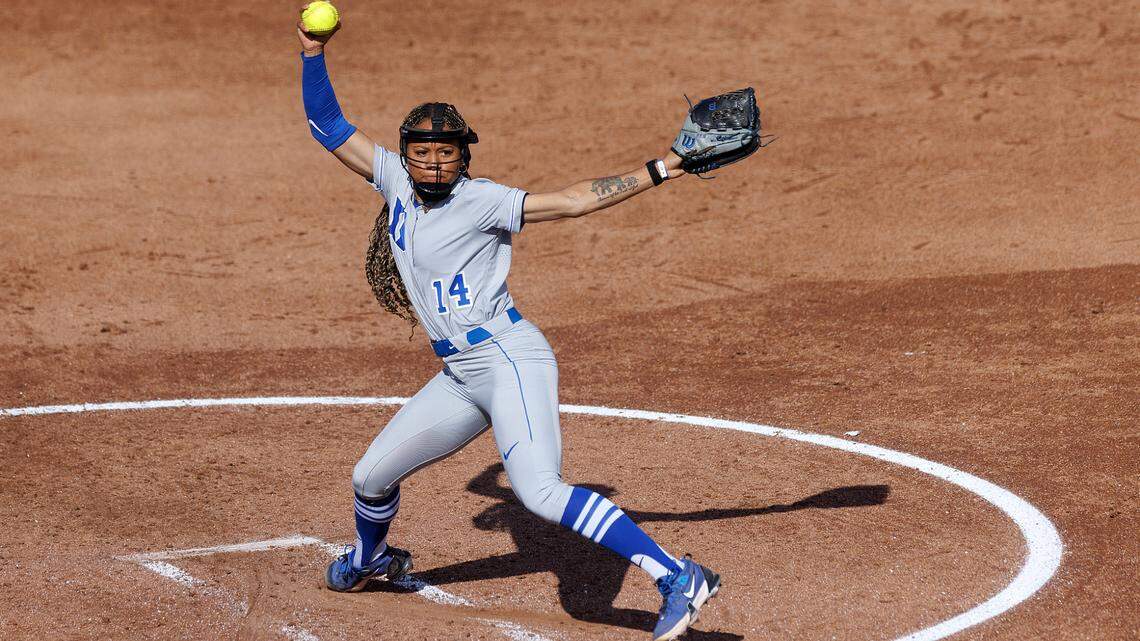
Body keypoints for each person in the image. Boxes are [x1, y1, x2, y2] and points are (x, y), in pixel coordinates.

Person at [296, 13, 751, 640]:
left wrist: (665, 165)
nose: (431, 164)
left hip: (509, 358)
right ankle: (373, 559)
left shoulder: (481, 199)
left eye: (445, 153)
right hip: (460, 374)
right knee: (369, 476)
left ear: (463, 158)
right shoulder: (392, 179)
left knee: (539, 491)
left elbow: (571, 200)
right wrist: (312, 52)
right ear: (405, 156)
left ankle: (678, 576)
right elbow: (326, 125)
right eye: (421, 153)